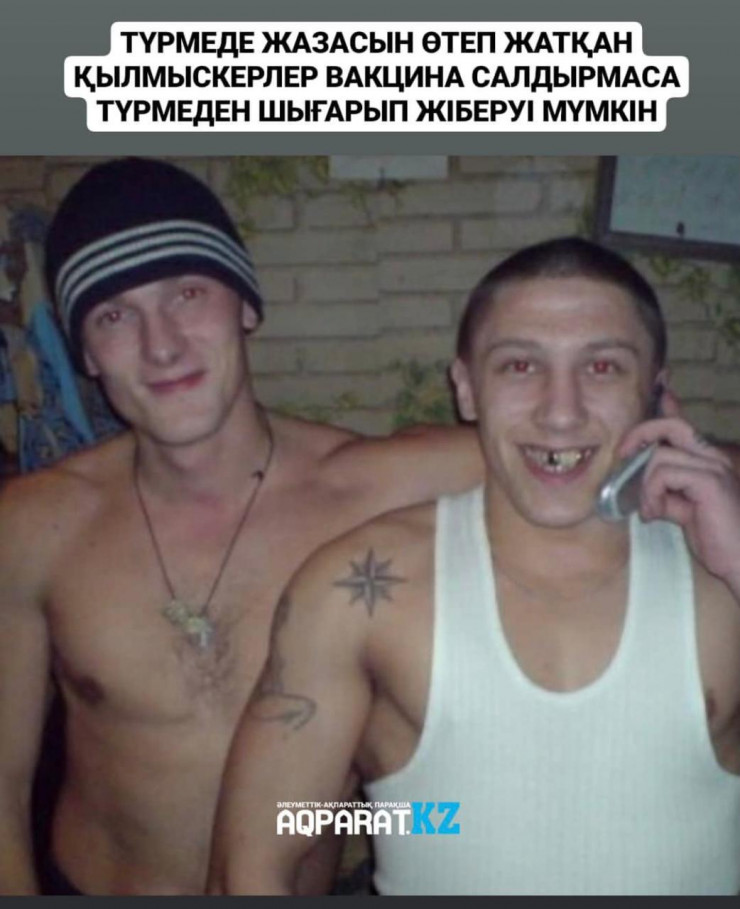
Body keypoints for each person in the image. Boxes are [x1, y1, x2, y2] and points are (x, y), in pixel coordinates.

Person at [0, 157, 486, 896]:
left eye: (187, 293)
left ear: (246, 307)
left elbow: (597, 454)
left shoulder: (374, 490)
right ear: (87, 354)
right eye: (114, 316)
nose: (162, 346)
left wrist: (431, 823)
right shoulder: (35, 524)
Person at [208, 237, 740, 896]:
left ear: (656, 391)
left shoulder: (723, 572)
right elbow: (258, 857)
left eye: (602, 367)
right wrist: (429, 818)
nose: (561, 411)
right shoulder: (358, 591)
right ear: (465, 387)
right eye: (520, 365)